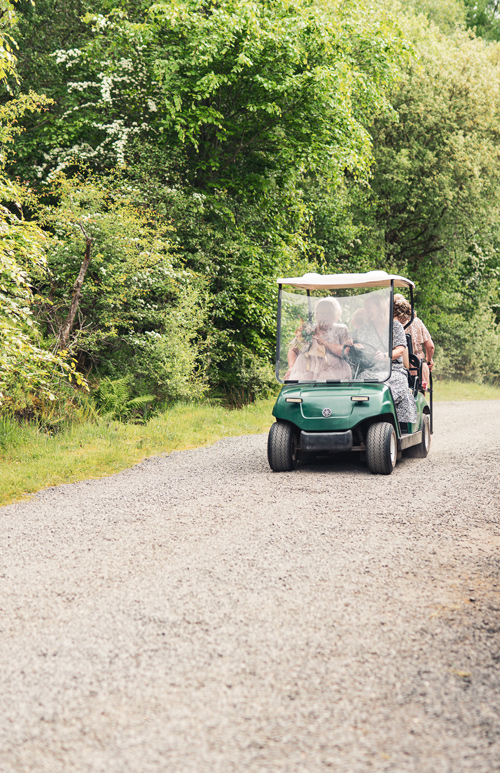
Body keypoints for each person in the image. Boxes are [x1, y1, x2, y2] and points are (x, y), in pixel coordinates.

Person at [352, 293, 417, 425]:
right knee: (358, 383)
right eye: (366, 308)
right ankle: (362, 422)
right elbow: (356, 343)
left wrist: (385, 356)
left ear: (379, 307)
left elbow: (399, 350)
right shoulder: (365, 328)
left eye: (369, 307)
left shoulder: (395, 326)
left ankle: (383, 420)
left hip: (393, 369)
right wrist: (356, 346)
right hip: (372, 369)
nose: (367, 311)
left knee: (385, 387)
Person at [286, 297, 352, 381]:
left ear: (334, 315)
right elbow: (293, 350)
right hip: (306, 369)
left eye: (329, 313)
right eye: (322, 313)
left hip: (333, 370)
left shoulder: (341, 329)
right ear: (316, 315)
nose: (325, 316)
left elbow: (346, 352)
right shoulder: (308, 329)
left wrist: (327, 344)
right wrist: (292, 367)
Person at [393, 294, 435, 389]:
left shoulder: (390, 323)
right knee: (419, 395)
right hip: (416, 364)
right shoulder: (416, 321)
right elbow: (430, 346)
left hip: (398, 364)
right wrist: (428, 361)